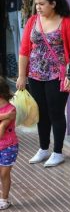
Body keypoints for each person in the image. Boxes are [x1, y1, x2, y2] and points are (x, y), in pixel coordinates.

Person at [16, 0, 70, 167]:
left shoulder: (66, 22)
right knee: (40, 113)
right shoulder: (33, 21)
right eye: (36, 4)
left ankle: (58, 151)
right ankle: (43, 148)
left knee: (56, 113)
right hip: (35, 74)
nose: (38, 7)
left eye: (42, 3)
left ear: (53, 3)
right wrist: (22, 75)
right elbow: (24, 50)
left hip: (57, 76)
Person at [0, 76, 19, 210]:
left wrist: (4, 119)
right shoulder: (7, 112)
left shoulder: (11, 109)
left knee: (4, 174)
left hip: (9, 146)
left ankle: (4, 199)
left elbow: (1, 130)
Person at [6, 0, 25, 76]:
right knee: (15, 38)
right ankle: (18, 66)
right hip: (12, 12)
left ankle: (22, 68)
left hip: (20, 11)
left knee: (22, 37)